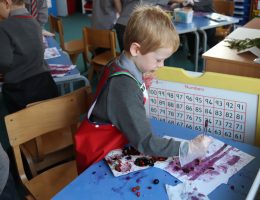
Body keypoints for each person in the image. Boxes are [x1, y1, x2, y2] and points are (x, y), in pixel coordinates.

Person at [76, 5, 211, 172]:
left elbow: (119, 103)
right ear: (136, 49)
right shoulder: (124, 86)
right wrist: (188, 148)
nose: (161, 65)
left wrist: (141, 81)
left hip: (116, 144)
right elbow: (145, 142)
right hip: (98, 161)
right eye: (158, 59)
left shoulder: (118, 63)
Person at [0, 0, 59, 114]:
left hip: (20, 91)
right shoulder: (34, 21)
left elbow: (3, 63)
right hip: (46, 84)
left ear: (7, 3)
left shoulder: (3, 27)